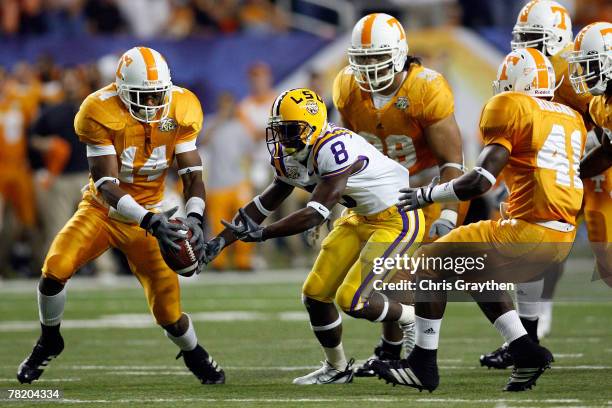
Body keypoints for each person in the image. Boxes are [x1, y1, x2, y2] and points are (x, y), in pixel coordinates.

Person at [371, 48, 586, 392]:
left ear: (517, 83)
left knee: (429, 260)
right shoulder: (569, 116)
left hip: (528, 230)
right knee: (474, 266)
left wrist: (428, 195)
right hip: (561, 236)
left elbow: (480, 181)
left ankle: (422, 364)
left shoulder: (511, 106)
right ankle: (524, 348)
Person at [16, 47, 224, 385]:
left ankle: (194, 352)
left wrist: (196, 218)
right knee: (54, 269)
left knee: (169, 314)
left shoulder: (183, 107)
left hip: (154, 214)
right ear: (122, 89)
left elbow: (192, 175)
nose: (153, 105)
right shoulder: (98, 110)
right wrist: (150, 221)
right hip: (103, 211)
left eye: (158, 95)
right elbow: (107, 185)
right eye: (144, 96)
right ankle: (50, 340)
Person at [205, 88, 425, 384]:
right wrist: (220, 242)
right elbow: (264, 204)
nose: (283, 138)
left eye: (291, 130)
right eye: (279, 130)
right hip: (358, 217)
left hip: (396, 218)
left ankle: (412, 318)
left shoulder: (334, 147)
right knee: (315, 294)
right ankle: (337, 368)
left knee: (353, 300)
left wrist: (264, 234)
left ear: (313, 125)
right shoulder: (294, 153)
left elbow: (315, 212)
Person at [332, 12, 466, 376]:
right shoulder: (346, 87)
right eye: (361, 59)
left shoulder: (425, 88)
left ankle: (412, 355)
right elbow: (347, 148)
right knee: (382, 273)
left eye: (376, 57)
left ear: (399, 53)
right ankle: (391, 349)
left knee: (404, 275)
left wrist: (449, 212)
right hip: (380, 192)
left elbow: (452, 161)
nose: (368, 67)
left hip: (424, 188)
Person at [480, 0, 593, 367]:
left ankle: (535, 317)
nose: (526, 46)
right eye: (522, 37)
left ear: (560, 39)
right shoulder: (526, 68)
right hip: (544, 168)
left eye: (535, 38)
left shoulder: (574, 72)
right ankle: (528, 329)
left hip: (582, 159)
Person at [569, 21, 612, 285]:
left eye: (591, 64)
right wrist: (569, 173)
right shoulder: (600, 104)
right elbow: (608, 152)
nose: (584, 72)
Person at [200, 92, 254, 270]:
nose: (225, 109)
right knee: (217, 225)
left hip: (237, 182)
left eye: (228, 105)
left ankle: (243, 260)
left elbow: (249, 152)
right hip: (217, 183)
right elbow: (203, 142)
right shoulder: (211, 123)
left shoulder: (239, 127)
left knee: (243, 223)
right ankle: (219, 261)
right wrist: (219, 121)